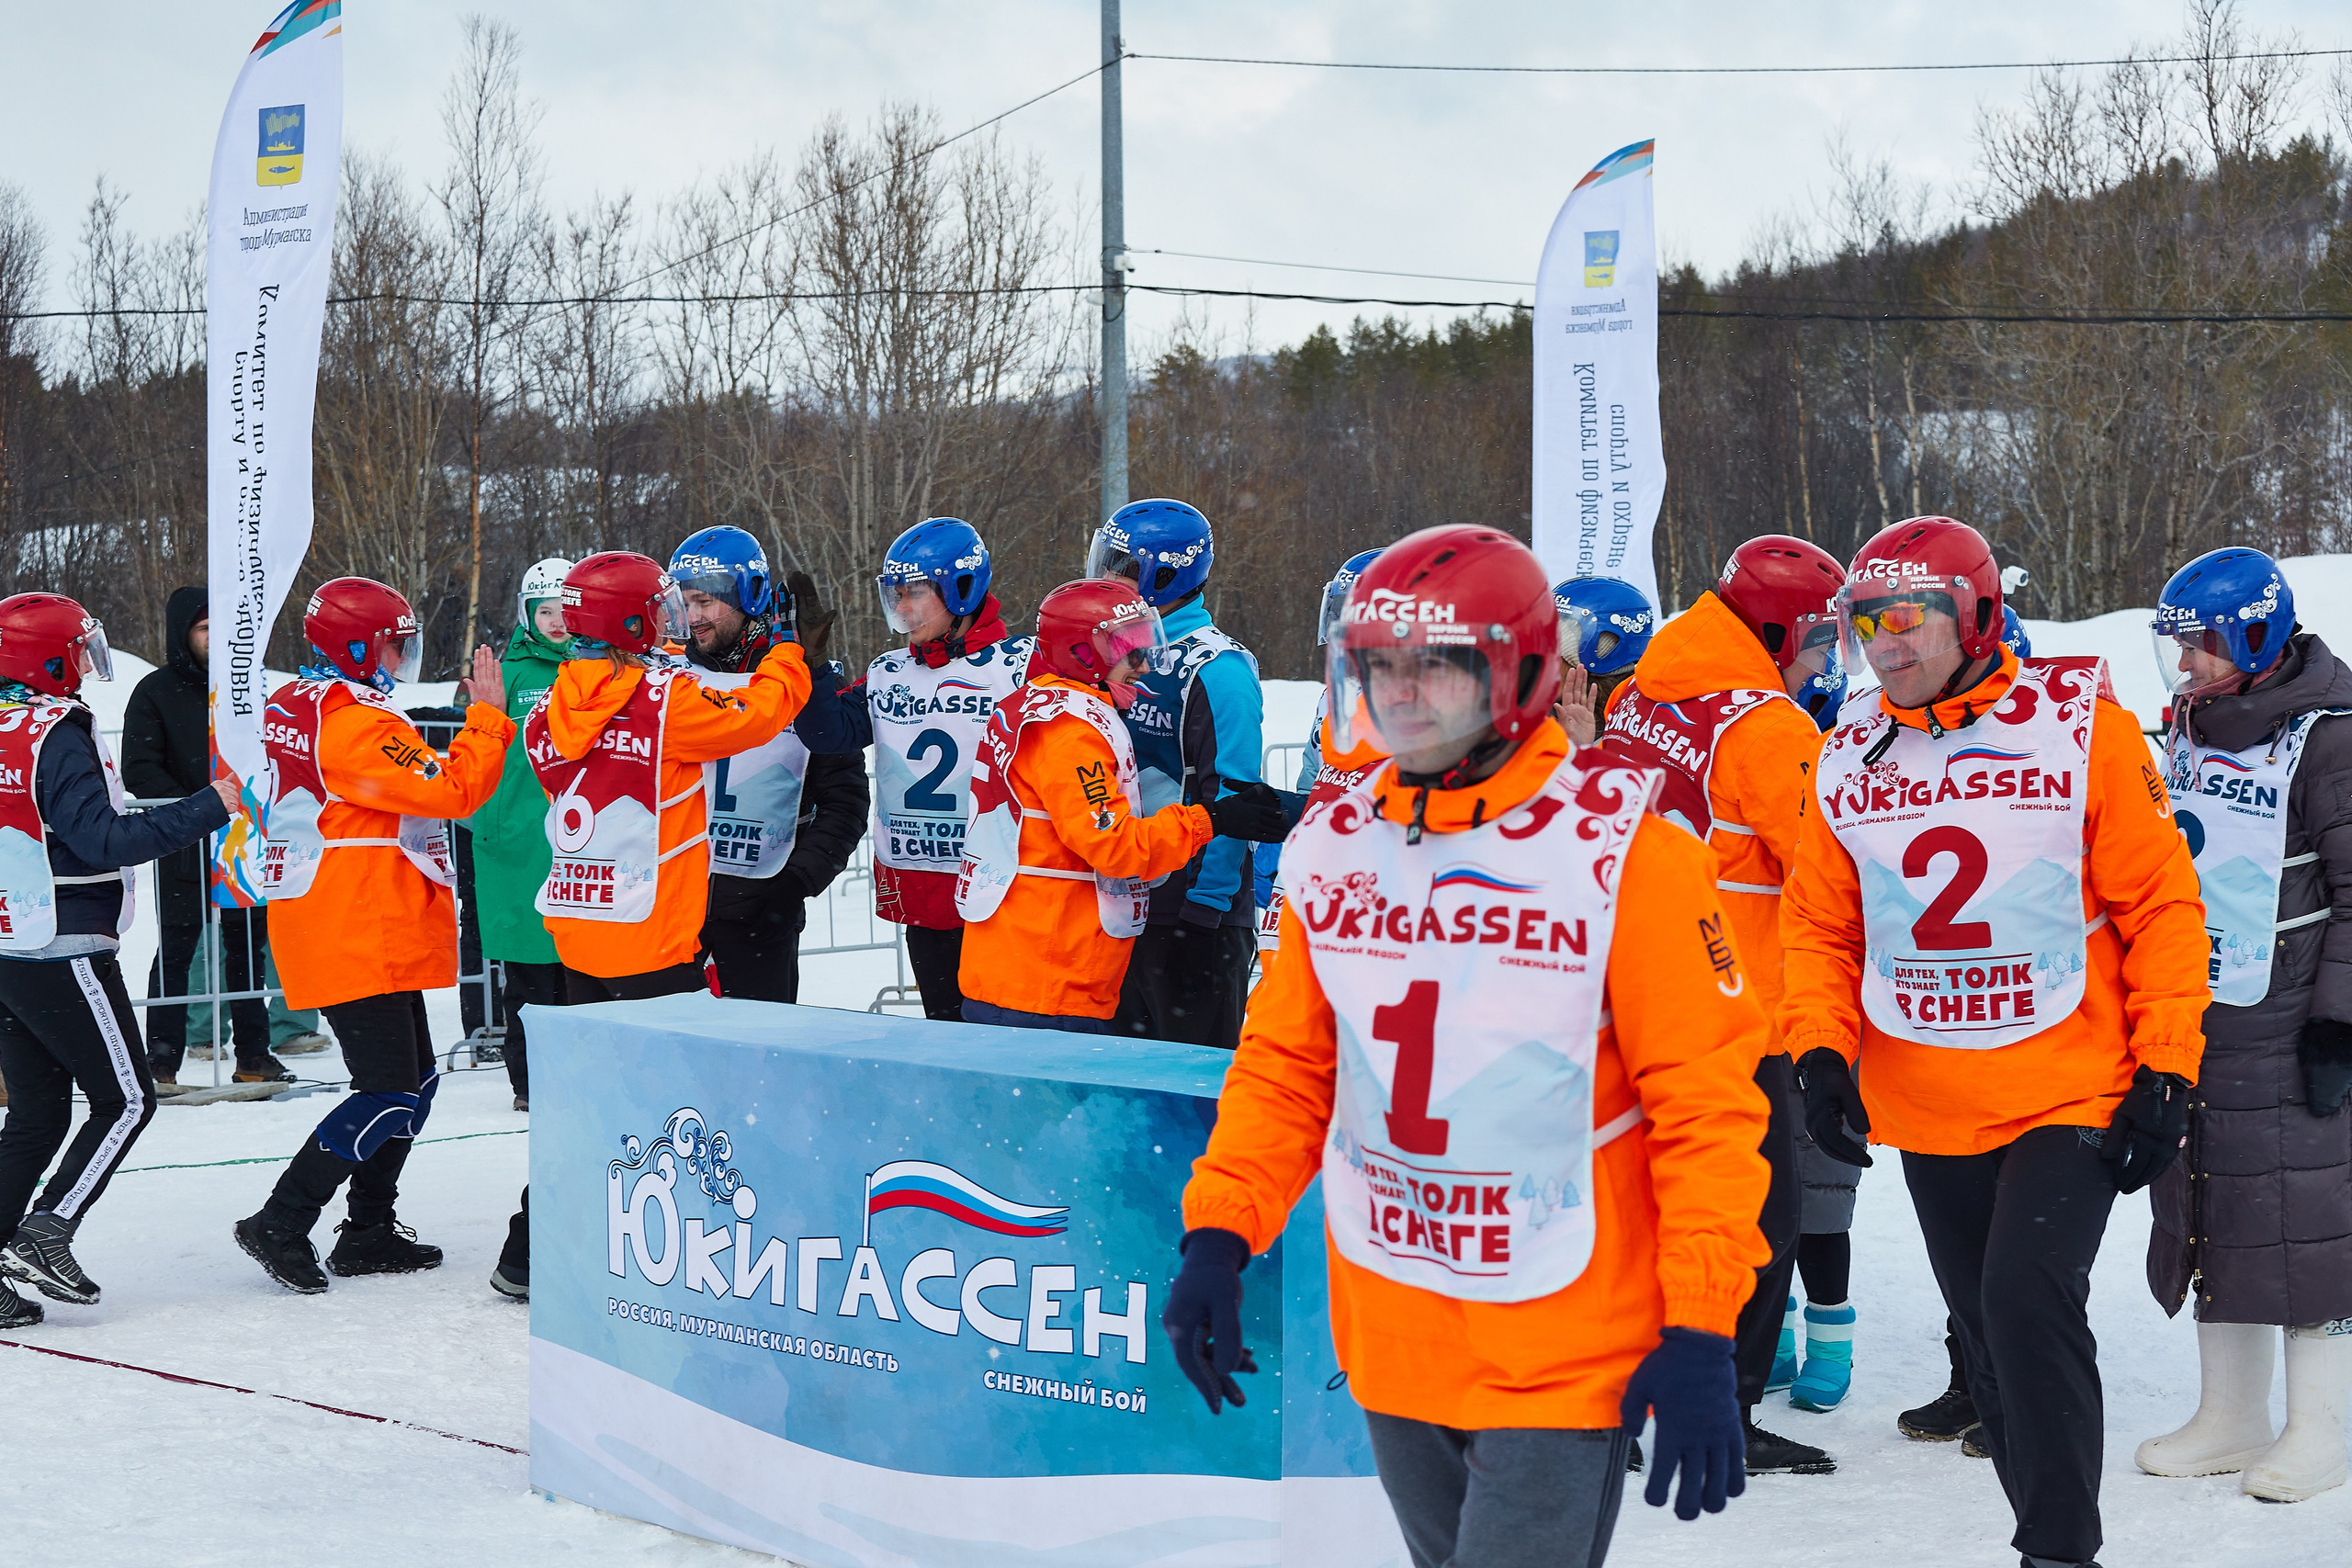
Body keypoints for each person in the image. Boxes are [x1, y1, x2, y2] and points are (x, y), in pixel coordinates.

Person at [1165, 525, 1774, 1564]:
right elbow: (1288, 1069)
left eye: (1433, 666)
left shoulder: (1630, 852)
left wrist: (1704, 1322)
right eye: (1377, 667)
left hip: (1562, 1335)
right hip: (1395, 1328)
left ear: (1519, 673)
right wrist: (1219, 1236)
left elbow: (1704, 1112)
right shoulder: (1334, 841)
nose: (1399, 693)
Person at [1780, 516, 2208, 1568]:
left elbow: (2161, 907)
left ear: (1973, 618)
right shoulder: (1845, 752)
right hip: (1929, 1095)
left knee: (2026, 1304)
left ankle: (2059, 1553)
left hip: (2070, 1079)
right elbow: (1820, 926)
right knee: (1985, 1340)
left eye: (1909, 618)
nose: (1886, 643)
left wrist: (2166, 1064)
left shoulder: (2078, 727)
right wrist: (1820, 1052)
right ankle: (2042, 1534)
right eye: (1865, 622)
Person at [1598, 535, 1850, 1471]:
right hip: (1732, 1008)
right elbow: (1826, 872)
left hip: (1632, 989)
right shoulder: (1769, 729)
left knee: (1643, 1209)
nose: (1826, 660)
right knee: (1755, 1218)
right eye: (1820, 640)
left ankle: (1620, 1399)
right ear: (1778, 630)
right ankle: (1726, 1409)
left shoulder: (1643, 689)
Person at [2135, 547, 2352, 1504]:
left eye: (2201, 649)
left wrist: (2338, 1024)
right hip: (2206, 1012)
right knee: (2212, 1213)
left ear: (2256, 639)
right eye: (2176, 650)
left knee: (2310, 1224)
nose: (2184, 668)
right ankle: (2229, 1416)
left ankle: (2322, 1430)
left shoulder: (2331, 736)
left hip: (2297, 1017)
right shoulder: (2191, 724)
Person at [233, 580, 514, 1294]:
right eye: (394, 641)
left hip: (351, 917)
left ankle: (368, 1229)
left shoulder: (302, 699)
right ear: (356, 646)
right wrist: (486, 721)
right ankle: (282, 1218)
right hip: (353, 924)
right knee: (389, 1088)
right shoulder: (352, 723)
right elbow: (450, 789)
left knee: (414, 1080)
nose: (401, 654)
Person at [0, 594, 236, 1327]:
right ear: (46, 655)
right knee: (128, 1097)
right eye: (76, 646)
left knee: (38, 1112)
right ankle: (49, 1230)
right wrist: (210, 804)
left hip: (12, 936)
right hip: (61, 939)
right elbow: (101, 839)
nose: (84, 659)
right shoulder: (54, 729)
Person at [954, 579, 1286, 1033]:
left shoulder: (1041, 705)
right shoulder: (1071, 734)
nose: (1143, 665)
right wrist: (1213, 819)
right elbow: (1116, 847)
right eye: (1129, 650)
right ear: (1083, 654)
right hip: (1045, 978)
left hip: (1029, 965)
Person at [526, 551, 809, 1003]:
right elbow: (758, 715)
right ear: (631, 624)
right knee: (674, 1073)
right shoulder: (665, 704)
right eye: (658, 609)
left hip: (578, 929)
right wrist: (789, 654)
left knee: (607, 1070)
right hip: (649, 936)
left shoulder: (547, 705)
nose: (670, 620)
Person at [795, 518, 1034, 1021]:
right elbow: (827, 733)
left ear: (961, 590)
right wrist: (811, 664)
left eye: (914, 594)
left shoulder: (1019, 666)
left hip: (1003, 890)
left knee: (1005, 1038)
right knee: (947, 1033)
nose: (901, 610)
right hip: (924, 886)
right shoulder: (889, 672)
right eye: (894, 596)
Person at [1088, 501, 1267, 1049]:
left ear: (1163, 574)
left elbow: (1237, 798)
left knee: (1188, 1101)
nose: (1104, 578)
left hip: (1190, 916)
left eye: (1119, 566)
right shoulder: (1112, 651)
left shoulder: (1218, 667)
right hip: (1121, 907)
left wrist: (1203, 913)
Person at [669, 527, 866, 1003]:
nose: (694, 617)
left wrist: (795, 884)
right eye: (685, 603)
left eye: (705, 602)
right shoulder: (669, 679)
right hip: (675, 911)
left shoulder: (798, 682)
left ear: (750, 597)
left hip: (760, 913)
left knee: (758, 1066)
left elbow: (846, 802)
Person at [118, 586, 290, 1089]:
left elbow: (275, 757)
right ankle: (160, 1060)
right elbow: (140, 771)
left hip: (245, 841)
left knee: (248, 949)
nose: (217, 639)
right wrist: (199, 811)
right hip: (183, 840)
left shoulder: (251, 688)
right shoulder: (155, 692)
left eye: (224, 628)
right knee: (176, 948)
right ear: (183, 633)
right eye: (204, 628)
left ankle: (254, 1056)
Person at [463, 557, 572, 1111]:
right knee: (530, 980)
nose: (557, 622)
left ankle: (576, 1074)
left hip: (579, 843)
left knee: (579, 975)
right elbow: (483, 760)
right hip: (521, 847)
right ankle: (528, 1081)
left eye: (565, 609)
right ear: (528, 615)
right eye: (545, 610)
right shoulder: (508, 677)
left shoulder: (596, 670)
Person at [1253, 548, 1388, 953]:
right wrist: (1286, 819)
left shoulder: (1420, 712)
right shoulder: (1334, 695)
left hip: (1371, 885)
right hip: (1315, 872)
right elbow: (1315, 777)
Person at [1552, 575, 1657, 747]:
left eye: (1556, 653)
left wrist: (1578, 752)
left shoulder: (1639, 730)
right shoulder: (1528, 707)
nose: (1540, 661)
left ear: (1602, 652)